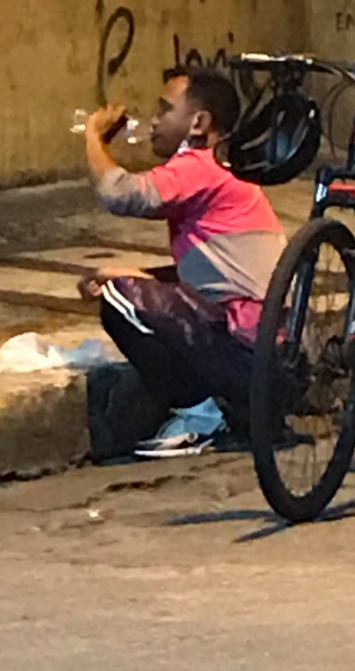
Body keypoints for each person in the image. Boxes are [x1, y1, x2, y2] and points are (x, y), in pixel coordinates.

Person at [78, 66, 286, 458]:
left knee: (118, 299)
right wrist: (138, 275)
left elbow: (121, 194)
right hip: (266, 348)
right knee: (127, 285)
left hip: (248, 351)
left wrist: (93, 137)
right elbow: (214, 277)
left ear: (198, 123)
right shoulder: (229, 170)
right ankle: (229, 409)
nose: (154, 120)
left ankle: (201, 418)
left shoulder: (200, 165)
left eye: (164, 109)